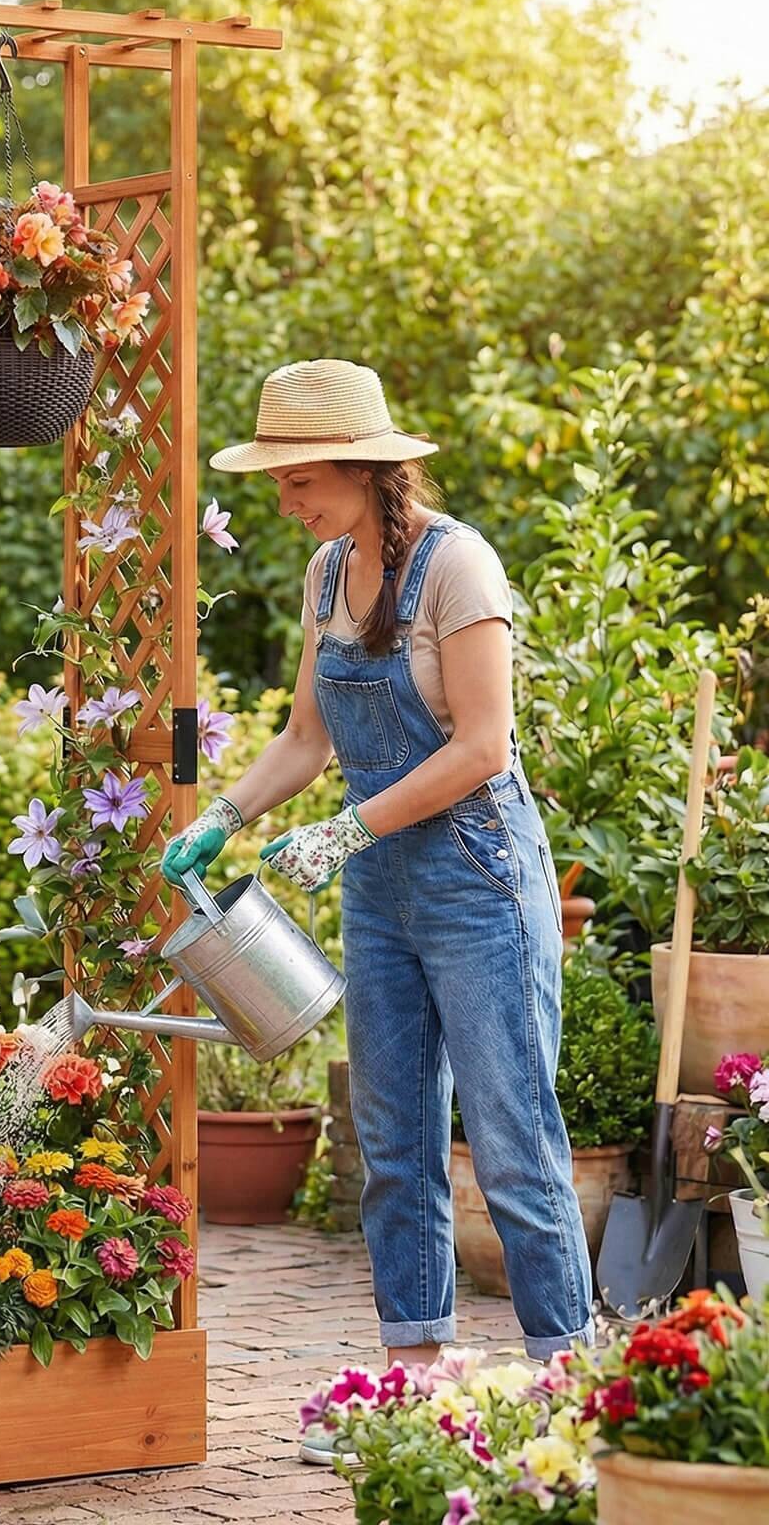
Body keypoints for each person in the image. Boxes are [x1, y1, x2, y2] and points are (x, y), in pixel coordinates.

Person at [162, 359, 593, 1404]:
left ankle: (571, 1383)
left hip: (478, 879)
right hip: (380, 886)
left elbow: (484, 746)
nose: (283, 499)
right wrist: (223, 815)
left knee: (510, 1140)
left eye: (296, 478)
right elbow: (307, 737)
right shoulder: (323, 579)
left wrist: (344, 830)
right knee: (393, 1142)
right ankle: (419, 1373)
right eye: (276, 481)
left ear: (359, 468)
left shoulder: (458, 568)